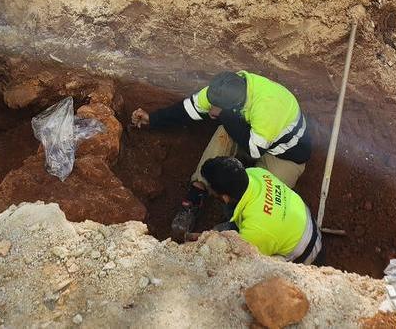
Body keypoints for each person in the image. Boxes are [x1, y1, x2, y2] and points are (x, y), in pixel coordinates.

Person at [130, 70, 311, 241]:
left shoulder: (268, 106)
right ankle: (197, 194)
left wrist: (225, 116)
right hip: (253, 137)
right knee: (224, 132)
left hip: (285, 155)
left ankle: (237, 224)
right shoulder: (225, 88)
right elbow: (190, 108)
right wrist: (153, 119)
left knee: (268, 197)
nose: (212, 107)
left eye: (219, 107)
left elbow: (254, 150)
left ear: (235, 105)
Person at [198, 156, 323, 265]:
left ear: (225, 197)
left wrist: (211, 240)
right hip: (301, 220)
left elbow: (242, 259)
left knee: (240, 263)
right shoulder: (256, 173)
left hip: (306, 251)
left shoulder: (255, 231)